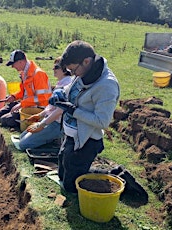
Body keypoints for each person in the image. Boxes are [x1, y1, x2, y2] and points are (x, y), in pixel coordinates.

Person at [50, 40, 120, 193]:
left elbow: (102, 121)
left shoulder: (107, 86)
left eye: (73, 70)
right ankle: (85, 171)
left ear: (86, 61)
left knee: (70, 186)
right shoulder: (85, 72)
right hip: (71, 136)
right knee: (62, 170)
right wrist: (60, 91)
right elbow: (73, 88)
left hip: (85, 141)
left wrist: (74, 111)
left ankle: (115, 175)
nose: (73, 74)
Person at [18, 57, 72, 151]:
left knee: (23, 145)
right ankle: (49, 139)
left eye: (56, 67)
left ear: (64, 69)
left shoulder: (66, 86)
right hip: (50, 119)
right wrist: (39, 115)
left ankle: (54, 142)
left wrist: (41, 125)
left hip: (57, 124)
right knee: (22, 137)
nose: (53, 69)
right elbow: (52, 106)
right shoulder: (61, 83)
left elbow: (59, 111)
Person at [0, 50, 53, 129]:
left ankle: (23, 124)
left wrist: (21, 104)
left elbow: (42, 98)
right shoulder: (24, 73)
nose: (13, 67)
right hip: (26, 104)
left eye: (13, 64)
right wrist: (14, 97)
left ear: (21, 62)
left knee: (4, 120)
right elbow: (23, 92)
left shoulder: (38, 74)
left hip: (37, 109)